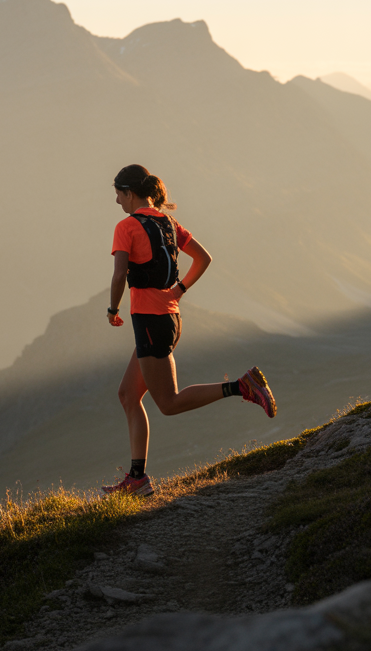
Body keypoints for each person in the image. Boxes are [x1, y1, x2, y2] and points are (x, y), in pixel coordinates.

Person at [102, 164, 276, 497]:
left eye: (117, 194)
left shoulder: (126, 226)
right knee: (128, 395)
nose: (116, 201)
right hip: (168, 319)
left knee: (168, 402)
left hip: (151, 323)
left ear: (129, 192)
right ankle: (137, 479)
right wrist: (180, 290)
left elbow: (119, 274)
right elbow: (204, 258)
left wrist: (112, 310)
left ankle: (242, 386)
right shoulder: (168, 222)